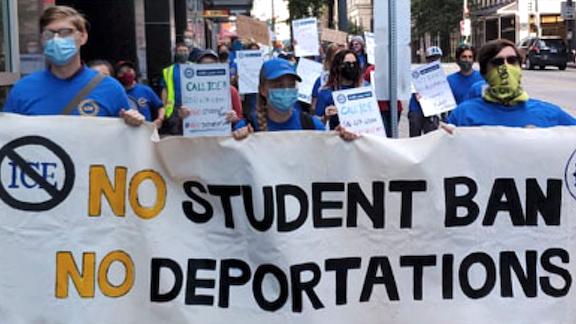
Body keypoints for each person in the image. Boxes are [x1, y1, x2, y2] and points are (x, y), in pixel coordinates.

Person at [3, 6, 143, 126]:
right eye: (49, 34)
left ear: (83, 37)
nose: (56, 39)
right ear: (42, 39)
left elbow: (125, 144)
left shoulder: (110, 88)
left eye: (65, 32)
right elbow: (8, 138)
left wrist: (133, 123)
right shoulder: (23, 89)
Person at [447, 39, 576, 127]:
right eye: (497, 62)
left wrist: (544, 140)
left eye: (512, 61)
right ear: (484, 73)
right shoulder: (463, 115)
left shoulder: (551, 114)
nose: (506, 68)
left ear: (520, 68)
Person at [233, 58, 325, 138]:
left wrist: (338, 139)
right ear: (263, 90)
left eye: (292, 85)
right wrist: (241, 142)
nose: (286, 90)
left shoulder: (313, 126)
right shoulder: (246, 128)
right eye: (279, 85)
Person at [178, 50, 242, 127]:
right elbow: (182, 127)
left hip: (224, 136)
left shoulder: (231, 91)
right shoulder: (188, 93)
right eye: (203, 65)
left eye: (212, 65)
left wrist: (235, 119)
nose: (208, 68)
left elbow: (240, 120)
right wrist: (182, 117)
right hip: (196, 136)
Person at [315, 49, 368, 130]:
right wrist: (326, 117)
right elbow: (317, 125)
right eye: (347, 64)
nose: (351, 67)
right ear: (338, 66)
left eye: (354, 64)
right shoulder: (326, 92)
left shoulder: (366, 88)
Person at [115, 61, 165, 129]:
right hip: (123, 131)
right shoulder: (115, 93)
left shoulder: (145, 90)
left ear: (134, 72)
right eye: (122, 72)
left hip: (145, 131)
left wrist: (160, 119)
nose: (126, 73)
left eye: (128, 70)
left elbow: (160, 106)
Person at [408, 46, 442, 137]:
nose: (434, 61)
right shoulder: (418, 73)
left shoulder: (441, 75)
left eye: (437, 58)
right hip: (416, 110)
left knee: (431, 138)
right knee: (415, 139)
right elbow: (414, 91)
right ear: (427, 60)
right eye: (432, 59)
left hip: (432, 111)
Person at [160, 42, 191, 134]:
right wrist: (164, 107)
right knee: (176, 134)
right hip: (174, 108)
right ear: (176, 53)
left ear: (189, 53)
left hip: (192, 106)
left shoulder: (195, 67)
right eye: (180, 51)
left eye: (185, 51)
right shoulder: (168, 71)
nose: (182, 53)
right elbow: (164, 90)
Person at [364, 65, 403, 138]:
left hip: (395, 107)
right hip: (380, 108)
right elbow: (365, 86)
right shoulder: (371, 70)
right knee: (382, 135)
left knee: (392, 134)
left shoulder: (397, 68)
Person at [311, 43, 343, 114]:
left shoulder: (355, 80)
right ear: (330, 58)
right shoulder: (321, 81)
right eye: (337, 56)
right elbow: (313, 107)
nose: (341, 59)